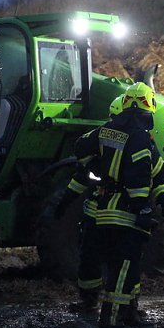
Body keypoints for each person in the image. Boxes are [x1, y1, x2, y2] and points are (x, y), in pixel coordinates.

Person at [88, 82, 164, 328]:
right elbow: (139, 177)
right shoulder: (139, 137)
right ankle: (111, 317)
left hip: (105, 211)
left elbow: (157, 172)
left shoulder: (106, 130)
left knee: (130, 264)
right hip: (125, 213)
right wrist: (143, 208)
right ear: (150, 106)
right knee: (123, 265)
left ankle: (130, 312)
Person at [54, 93, 127, 313]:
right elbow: (82, 176)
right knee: (113, 259)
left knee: (96, 257)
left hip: (104, 213)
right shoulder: (138, 143)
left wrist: (66, 201)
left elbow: (82, 172)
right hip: (117, 214)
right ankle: (113, 305)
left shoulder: (101, 141)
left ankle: (99, 303)